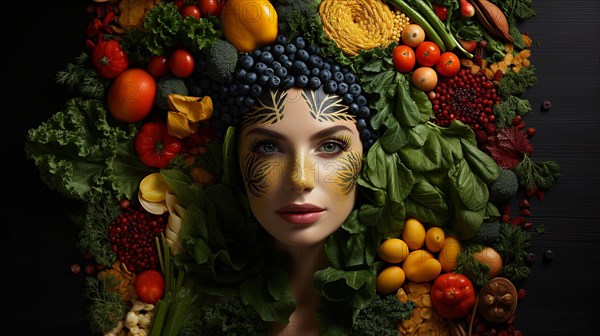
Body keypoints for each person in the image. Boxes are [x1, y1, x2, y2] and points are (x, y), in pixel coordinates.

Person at [182, 34, 380, 335]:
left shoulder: (406, 301)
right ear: (234, 158)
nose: (300, 179)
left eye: (329, 147)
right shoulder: (185, 310)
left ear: (367, 157)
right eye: (268, 148)